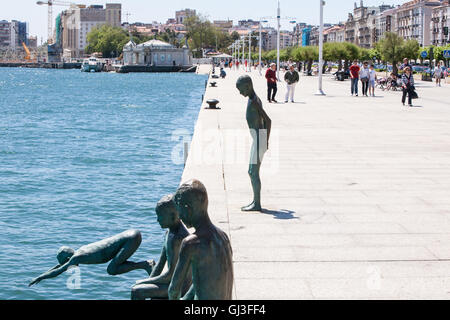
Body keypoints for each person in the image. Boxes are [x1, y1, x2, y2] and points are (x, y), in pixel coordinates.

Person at [169, 180, 234, 300]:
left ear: (188, 209)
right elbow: (203, 281)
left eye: (180, 211)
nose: (180, 217)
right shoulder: (224, 237)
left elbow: (173, 291)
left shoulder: (191, 243)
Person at [29, 230, 154, 286]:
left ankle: (146, 265)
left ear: (68, 258)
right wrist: (44, 273)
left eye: (66, 262)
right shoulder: (80, 251)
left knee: (111, 269)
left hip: (130, 239)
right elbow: (61, 267)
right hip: (131, 235)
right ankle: (145, 265)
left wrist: (40, 277)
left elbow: (59, 270)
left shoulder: (77, 257)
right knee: (113, 266)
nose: (69, 266)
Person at [131, 195, 192, 300]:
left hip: (180, 287)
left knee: (137, 291)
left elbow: (171, 274)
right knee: (141, 287)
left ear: (173, 216)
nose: (157, 220)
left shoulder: (178, 238)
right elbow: (160, 264)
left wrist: (144, 282)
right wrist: (148, 281)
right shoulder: (169, 232)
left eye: (160, 216)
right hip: (173, 282)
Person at [236, 75, 272, 212]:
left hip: (259, 140)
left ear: (248, 86)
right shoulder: (253, 99)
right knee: (252, 172)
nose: (240, 93)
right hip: (258, 139)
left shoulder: (254, 102)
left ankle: (257, 204)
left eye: (241, 89)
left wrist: (265, 141)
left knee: (253, 172)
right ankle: (255, 201)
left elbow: (268, 121)